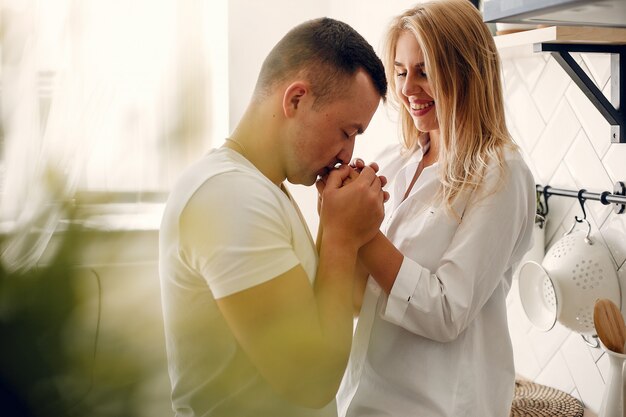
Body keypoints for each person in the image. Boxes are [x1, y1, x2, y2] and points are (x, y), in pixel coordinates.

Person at [158, 17, 388, 417]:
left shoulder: (264, 189)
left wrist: (348, 227)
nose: (347, 154)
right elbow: (310, 379)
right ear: (296, 99)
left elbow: (337, 307)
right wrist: (339, 236)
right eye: (346, 131)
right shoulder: (229, 196)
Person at [333, 1, 536, 416]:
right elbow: (361, 299)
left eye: (425, 72)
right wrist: (336, 222)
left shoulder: (501, 173)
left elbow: (447, 311)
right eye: (402, 71)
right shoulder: (395, 161)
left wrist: (364, 233)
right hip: (362, 400)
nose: (408, 89)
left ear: (467, 71)